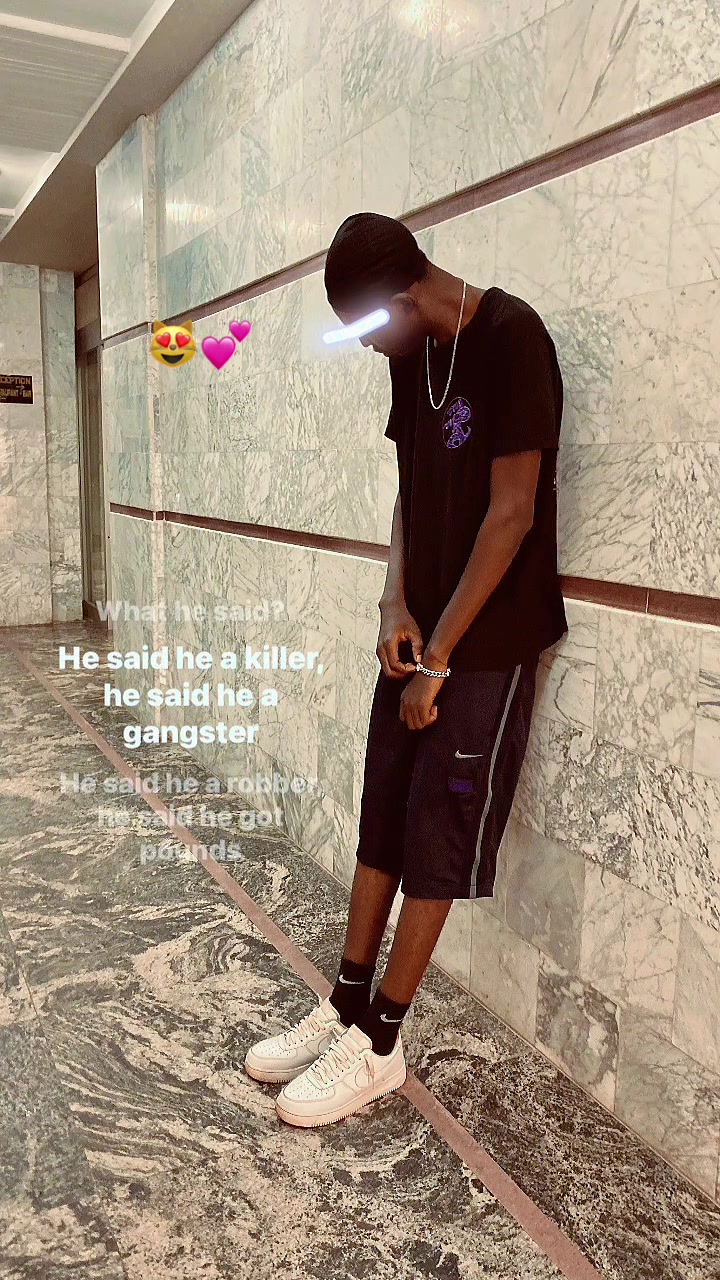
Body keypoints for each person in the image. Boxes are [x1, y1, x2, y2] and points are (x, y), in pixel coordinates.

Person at [246, 212, 568, 1128]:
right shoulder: (410, 354)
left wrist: (443, 658)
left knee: (436, 830)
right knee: (383, 809)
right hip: (420, 631)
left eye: (364, 328)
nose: (364, 346)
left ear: (401, 297)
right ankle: (346, 1004)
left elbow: (512, 513)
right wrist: (393, 605)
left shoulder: (513, 338)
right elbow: (409, 491)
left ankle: (381, 1043)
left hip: (486, 643)